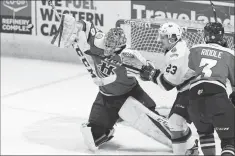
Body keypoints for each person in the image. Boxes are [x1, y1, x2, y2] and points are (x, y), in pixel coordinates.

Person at [53, 14, 172, 151]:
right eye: (107, 45)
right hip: (106, 97)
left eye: (112, 47)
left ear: (120, 47)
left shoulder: (129, 57)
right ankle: (112, 123)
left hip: (130, 95)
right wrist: (76, 29)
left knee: (153, 122)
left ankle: (166, 116)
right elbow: (86, 25)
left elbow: (149, 71)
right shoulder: (99, 41)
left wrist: (146, 72)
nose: (108, 49)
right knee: (93, 136)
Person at [139, 22, 199, 155]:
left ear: (172, 37)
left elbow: (167, 85)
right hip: (189, 88)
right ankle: (192, 148)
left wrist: (151, 75)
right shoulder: (177, 47)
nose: (159, 40)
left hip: (193, 90)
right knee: (177, 122)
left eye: (163, 37)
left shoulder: (177, 55)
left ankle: (187, 150)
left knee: (174, 122)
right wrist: (154, 74)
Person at [187, 22, 235, 156]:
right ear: (222, 36)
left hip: (194, 100)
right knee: (229, 141)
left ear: (206, 36)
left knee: (205, 134)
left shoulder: (195, 49)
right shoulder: (230, 53)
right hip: (217, 97)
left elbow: (186, 76)